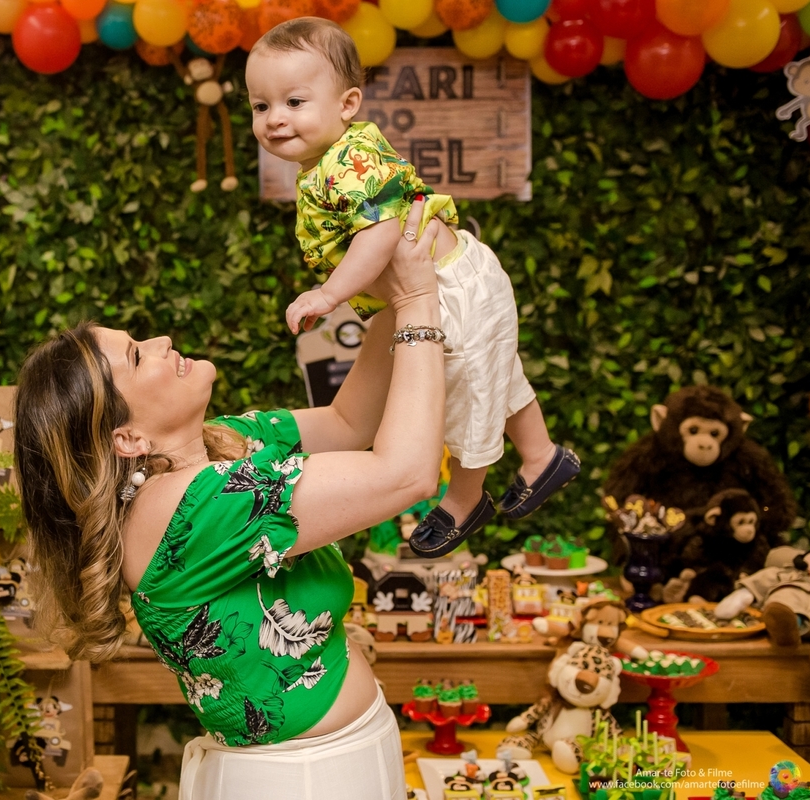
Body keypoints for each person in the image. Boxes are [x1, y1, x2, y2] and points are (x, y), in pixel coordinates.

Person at [15, 205, 445, 800]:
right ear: (127, 439)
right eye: (138, 355)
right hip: (303, 784)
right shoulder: (191, 508)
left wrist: (383, 292)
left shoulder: (219, 448)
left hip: (337, 762)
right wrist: (420, 301)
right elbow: (407, 476)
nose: (162, 340)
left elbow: (349, 422)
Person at [245, 17, 580, 556]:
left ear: (347, 104)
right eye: (261, 106)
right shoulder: (325, 164)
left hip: (447, 285)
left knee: (464, 391)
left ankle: (466, 497)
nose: (274, 119)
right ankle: (541, 456)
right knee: (492, 372)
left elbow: (379, 233)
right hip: (457, 278)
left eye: (294, 102)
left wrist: (330, 294)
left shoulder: (349, 162)